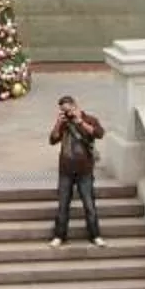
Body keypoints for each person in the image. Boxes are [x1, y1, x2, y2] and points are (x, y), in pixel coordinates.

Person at [47, 95, 104, 246]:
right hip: (66, 170)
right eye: (63, 110)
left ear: (75, 106)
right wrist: (58, 124)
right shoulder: (63, 123)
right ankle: (59, 236)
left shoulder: (89, 119)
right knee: (63, 204)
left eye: (68, 109)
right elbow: (52, 140)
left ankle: (95, 235)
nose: (67, 113)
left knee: (89, 204)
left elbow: (99, 133)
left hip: (84, 170)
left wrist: (81, 122)